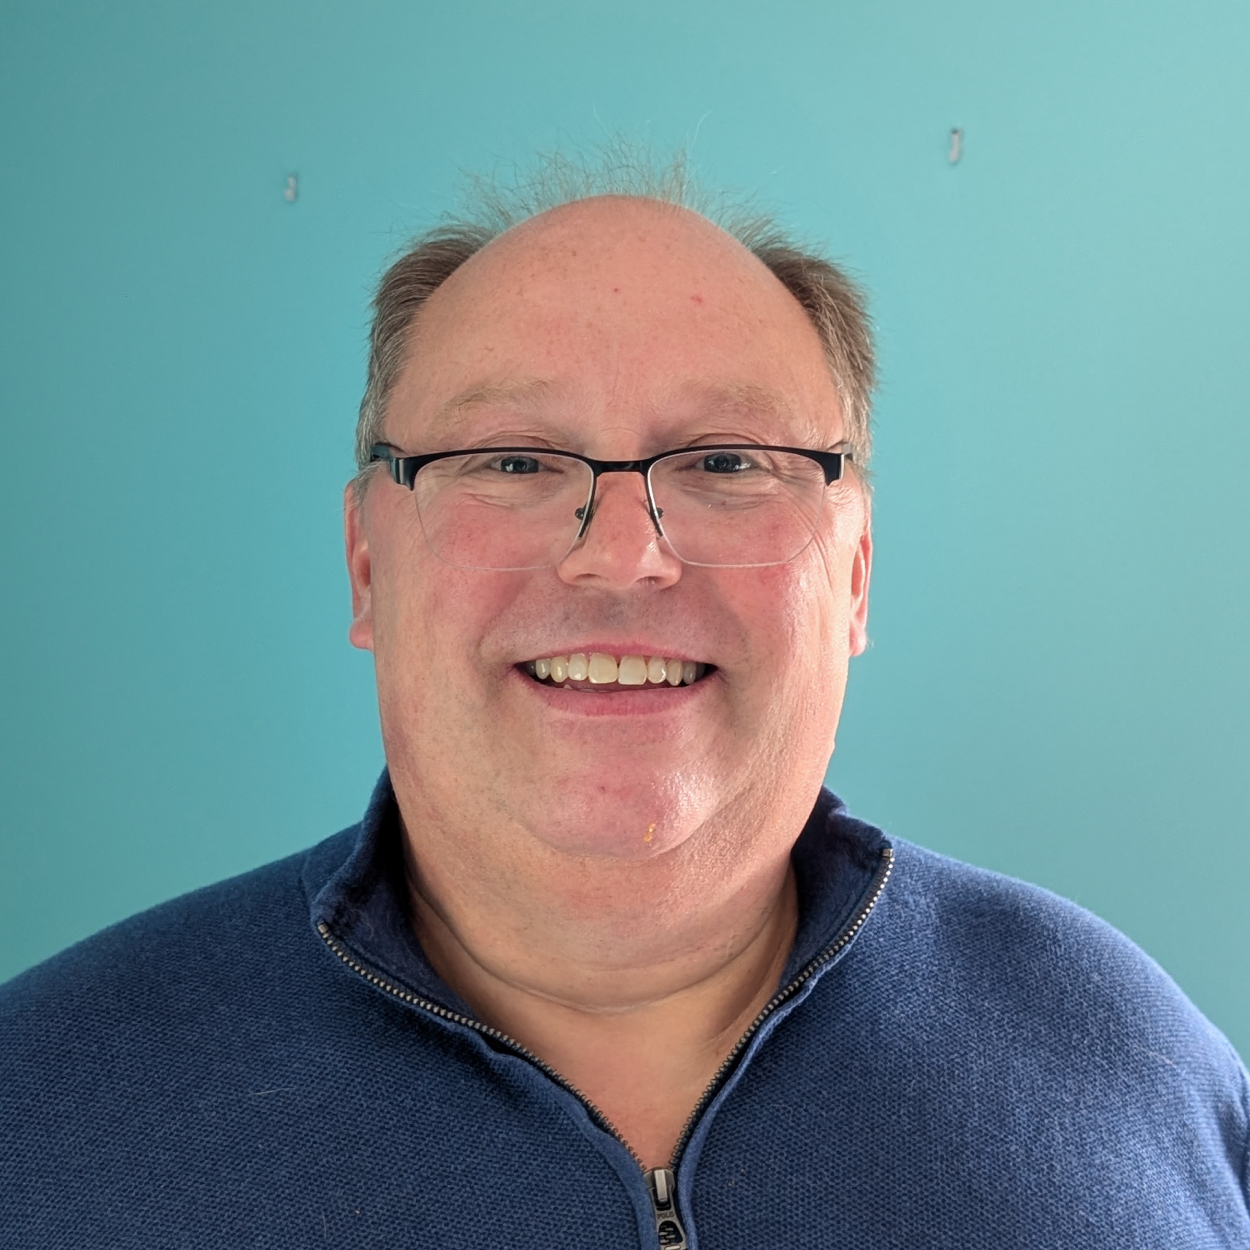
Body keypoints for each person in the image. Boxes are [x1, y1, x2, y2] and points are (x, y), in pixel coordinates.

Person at [2, 158, 1248, 1250]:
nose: (620, 555)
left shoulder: (1132, 1065)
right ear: (366, 562)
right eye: (510, 461)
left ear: (855, 574)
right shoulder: (41, 1108)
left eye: (723, 463)